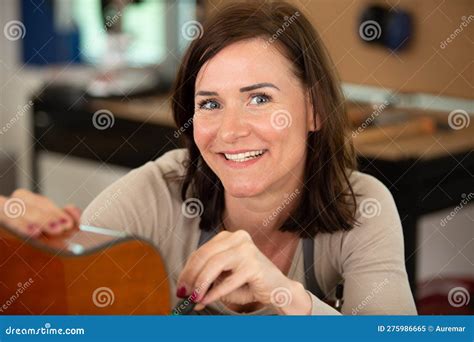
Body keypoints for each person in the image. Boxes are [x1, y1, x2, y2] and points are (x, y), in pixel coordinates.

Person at [0, 1, 416, 315]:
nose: (231, 131)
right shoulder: (155, 193)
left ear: (314, 110)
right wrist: (19, 250)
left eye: (258, 98)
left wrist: (285, 294)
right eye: (210, 104)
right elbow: (62, 298)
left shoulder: (362, 206)